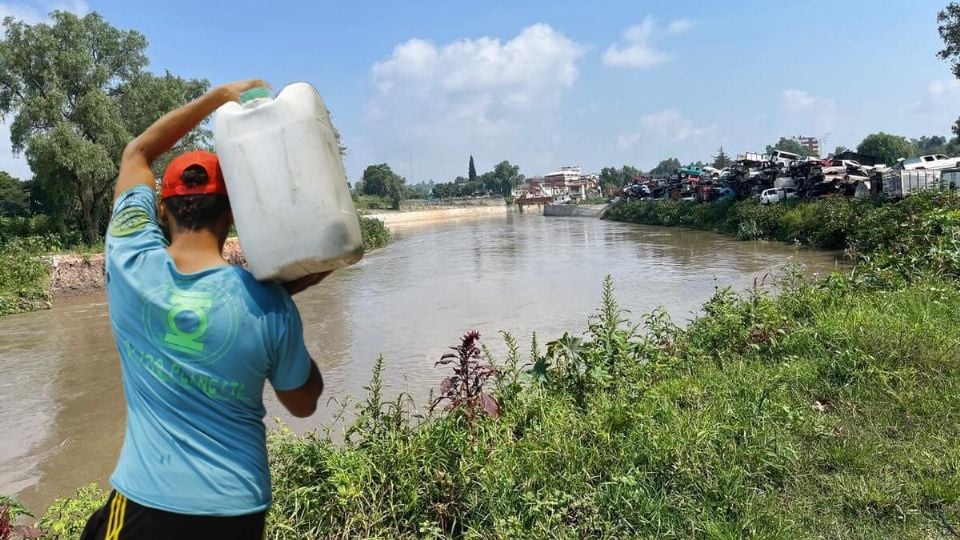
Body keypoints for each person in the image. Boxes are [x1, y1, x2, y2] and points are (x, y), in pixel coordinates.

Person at [79, 79, 327, 540]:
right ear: (234, 214)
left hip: (147, 505)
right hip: (237, 510)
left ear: (161, 210)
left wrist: (219, 97)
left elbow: (136, 154)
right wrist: (283, 301)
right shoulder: (269, 304)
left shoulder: (129, 264)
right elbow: (303, 402)